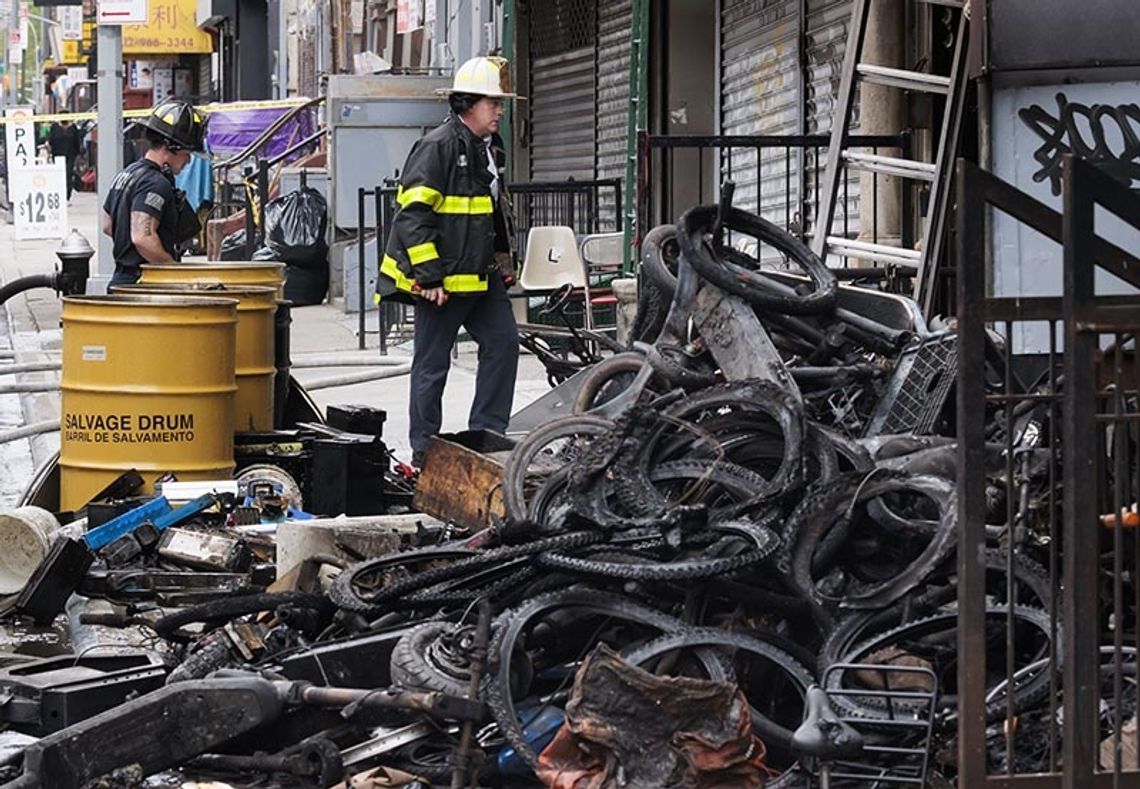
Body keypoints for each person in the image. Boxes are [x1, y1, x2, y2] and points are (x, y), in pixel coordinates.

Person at [376, 56, 522, 468]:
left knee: (503, 345)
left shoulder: (489, 149)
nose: (499, 110)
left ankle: (488, 435)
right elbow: (412, 216)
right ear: (468, 104)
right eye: (492, 102)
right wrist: (430, 276)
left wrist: (502, 260)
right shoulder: (437, 147)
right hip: (441, 282)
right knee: (432, 364)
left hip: (481, 275)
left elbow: (490, 213)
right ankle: (425, 450)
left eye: (499, 103)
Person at [101, 100, 206, 287]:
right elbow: (142, 238)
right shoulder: (156, 183)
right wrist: (171, 269)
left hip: (121, 282)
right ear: (171, 148)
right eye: (187, 153)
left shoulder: (128, 173)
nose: (188, 161)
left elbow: (108, 225)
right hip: (145, 286)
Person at [47, 120, 81, 200]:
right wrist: (49, 150)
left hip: (70, 155)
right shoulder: (54, 127)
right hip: (57, 155)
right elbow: (50, 140)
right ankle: (59, 193)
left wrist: (78, 155)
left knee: (68, 175)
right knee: (59, 175)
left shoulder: (73, 127)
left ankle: (67, 195)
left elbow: (77, 142)